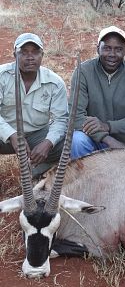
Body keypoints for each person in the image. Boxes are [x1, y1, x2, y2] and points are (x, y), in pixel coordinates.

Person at [69, 26, 125, 159]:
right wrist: (107, 139)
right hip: (91, 139)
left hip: (122, 144)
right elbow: (75, 116)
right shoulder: (83, 71)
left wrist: (108, 126)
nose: (112, 54)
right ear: (97, 48)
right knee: (77, 141)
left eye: (118, 49)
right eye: (107, 48)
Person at [0, 33, 68, 178]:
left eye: (35, 52)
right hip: (4, 135)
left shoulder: (55, 83)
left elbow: (61, 120)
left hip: (35, 136)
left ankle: (38, 172)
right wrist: (11, 135)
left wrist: (48, 143)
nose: (30, 57)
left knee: (67, 145)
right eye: (23, 52)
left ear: (42, 55)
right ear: (14, 55)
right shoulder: (2, 76)